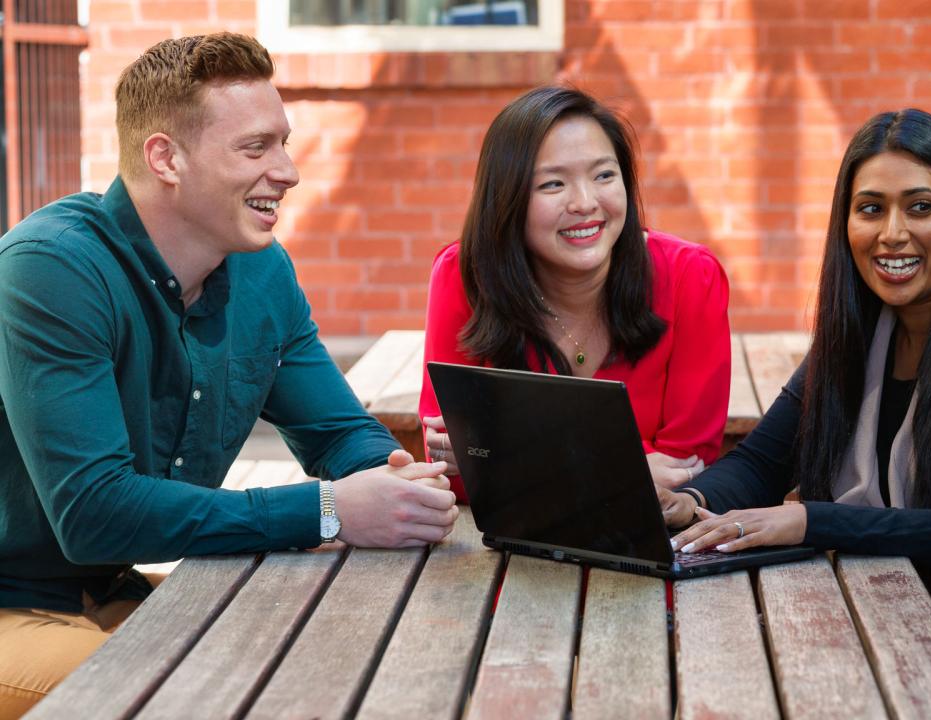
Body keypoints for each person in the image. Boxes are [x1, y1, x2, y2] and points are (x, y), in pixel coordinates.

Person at [0, 33, 458, 717]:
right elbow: (93, 515)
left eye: (284, 142)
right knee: (207, 698)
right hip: (12, 605)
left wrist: (393, 476)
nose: (289, 170)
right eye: (256, 148)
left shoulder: (261, 271)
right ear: (167, 158)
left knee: (337, 672)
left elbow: (337, 433)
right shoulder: (50, 269)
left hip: (118, 594)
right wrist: (329, 510)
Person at [664, 109, 931, 606]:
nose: (893, 233)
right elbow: (761, 463)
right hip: (863, 609)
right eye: (871, 209)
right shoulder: (859, 328)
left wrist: (814, 521)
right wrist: (689, 502)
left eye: (921, 207)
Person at [418, 86, 731, 500]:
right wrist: (618, 469)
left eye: (604, 175)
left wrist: (515, 454)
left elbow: (686, 465)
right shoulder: (464, 276)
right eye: (552, 184)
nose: (585, 202)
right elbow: (454, 467)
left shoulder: (691, 277)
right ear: (506, 199)